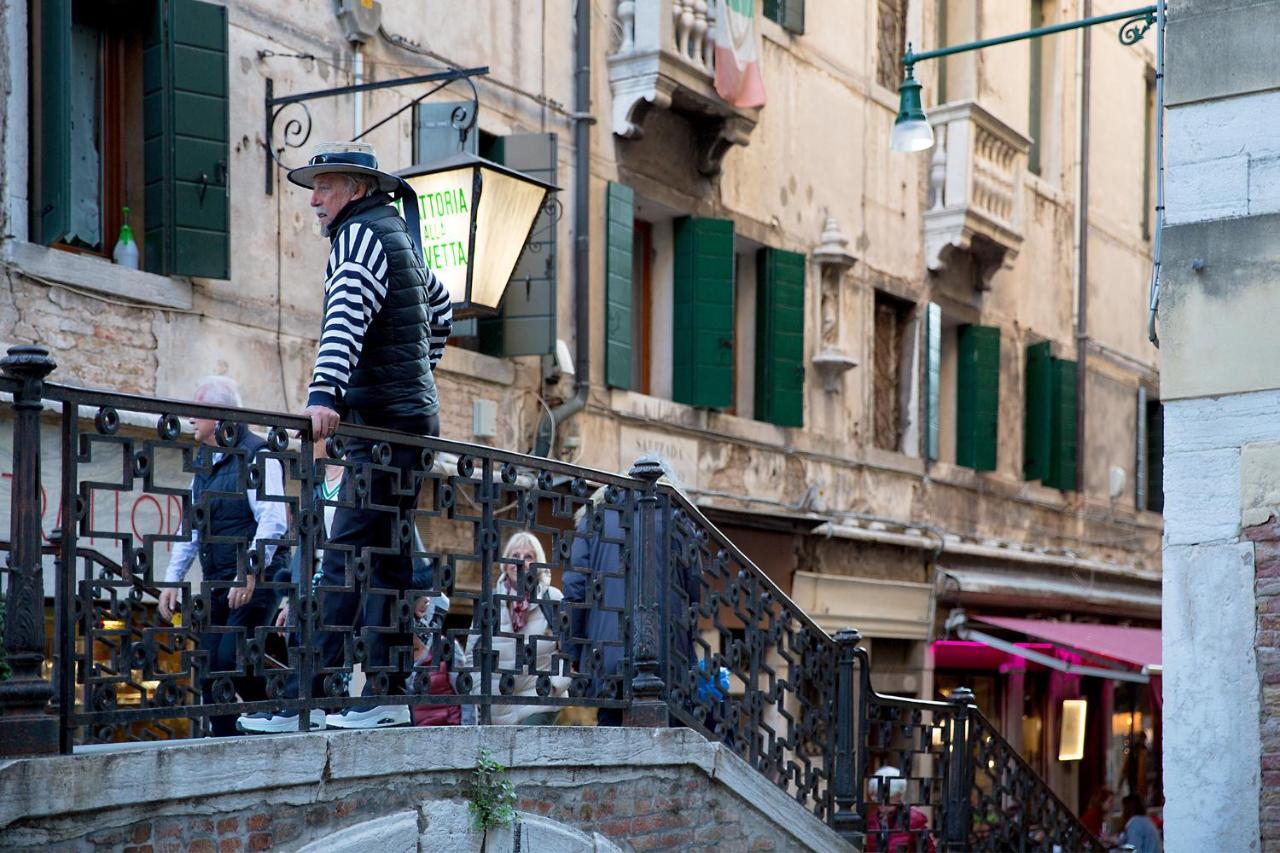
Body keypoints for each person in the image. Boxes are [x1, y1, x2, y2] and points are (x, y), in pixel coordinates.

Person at [238, 141, 452, 734]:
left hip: (381, 424)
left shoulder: (357, 238)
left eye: (325, 186)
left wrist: (325, 395)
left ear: (356, 189)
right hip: (411, 422)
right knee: (383, 563)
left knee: (343, 561)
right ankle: (381, 698)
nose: (314, 200)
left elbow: (346, 315)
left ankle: (308, 699)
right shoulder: (398, 236)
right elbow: (442, 306)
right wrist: (418, 372)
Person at [157, 375, 289, 737]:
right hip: (218, 579)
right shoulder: (203, 465)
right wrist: (171, 579)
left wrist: (248, 573)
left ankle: (280, 713)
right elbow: (191, 528)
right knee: (210, 666)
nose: (191, 420)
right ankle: (227, 737)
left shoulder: (257, 453)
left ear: (220, 414)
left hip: (256, 577)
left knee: (232, 656)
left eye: (198, 412)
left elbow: (274, 520)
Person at [562, 461, 699, 727]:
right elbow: (692, 593)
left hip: (607, 656)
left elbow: (576, 588)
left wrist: (572, 651)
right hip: (668, 654)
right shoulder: (680, 520)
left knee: (611, 729)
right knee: (668, 735)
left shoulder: (596, 516)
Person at [465, 532, 570, 725]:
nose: (520, 562)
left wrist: (554, 686)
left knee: (529, 754)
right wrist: (480, 691)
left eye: (528, 557)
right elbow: (472, 655)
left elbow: (570, 651)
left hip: (539, 702)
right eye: (515, 556)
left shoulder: (552, 599)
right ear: (505, 562)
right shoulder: (490, 602)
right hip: (497, 708)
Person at [864, 766, 936, 853]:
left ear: (899, 795)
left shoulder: (914, 819)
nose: (880, 801)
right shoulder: (871, 818)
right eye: (876, 796)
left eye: (887, 796)